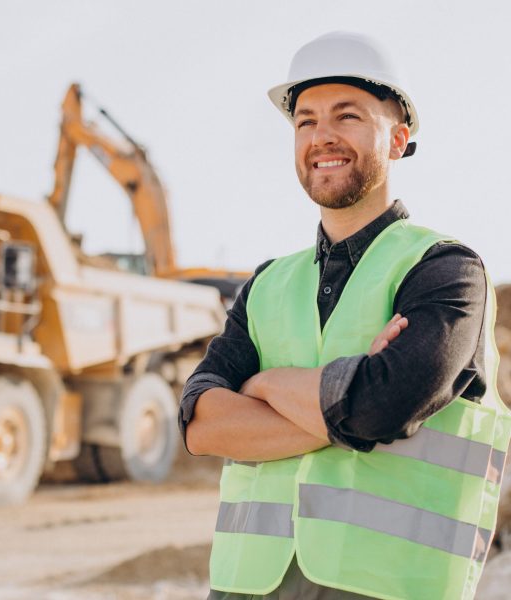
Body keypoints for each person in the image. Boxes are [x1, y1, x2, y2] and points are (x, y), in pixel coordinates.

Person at [178, 31, 511, 600]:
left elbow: (381, 408)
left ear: (399, 139)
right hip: (246, 586)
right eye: (305, 121)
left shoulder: (447, 271)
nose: (322, 137)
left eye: (347, 116)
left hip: (388, 586)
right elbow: (202, 426)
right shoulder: (265, 285)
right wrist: (345, 405)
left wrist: (260, 385)